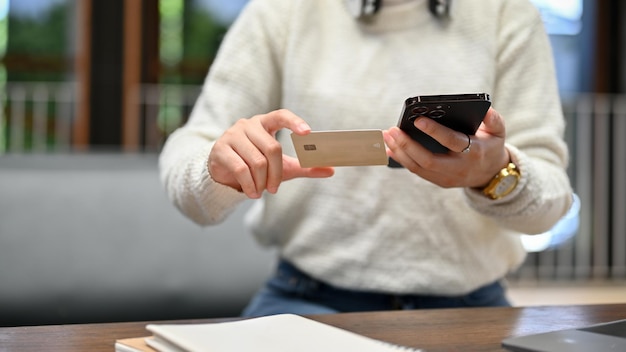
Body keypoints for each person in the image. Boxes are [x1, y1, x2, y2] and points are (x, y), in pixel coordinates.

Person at [159, 0, 573, 316]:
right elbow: (187, 164)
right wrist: (219, 168)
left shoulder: (506, 13)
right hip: (306, 298)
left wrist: (495, 174)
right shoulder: (284, 10)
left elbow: (551, 205)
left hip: (469, 307)